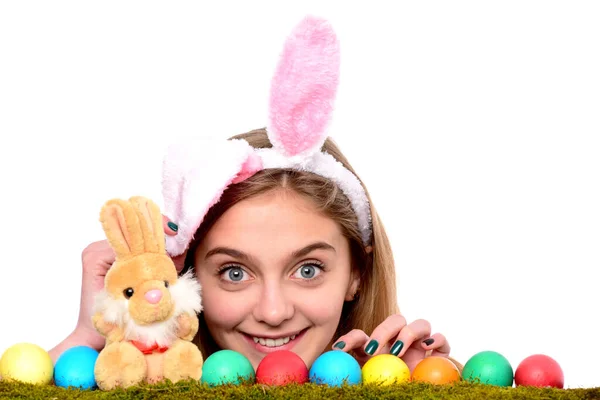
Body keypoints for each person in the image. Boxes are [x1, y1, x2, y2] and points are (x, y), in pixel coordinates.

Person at [49, 16, 460, 374]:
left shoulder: (409, 376)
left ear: (357, 274)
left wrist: (425, 388)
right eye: (234, 273)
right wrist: (93, 336)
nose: (273, 312)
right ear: (186, 279)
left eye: (309, 269)